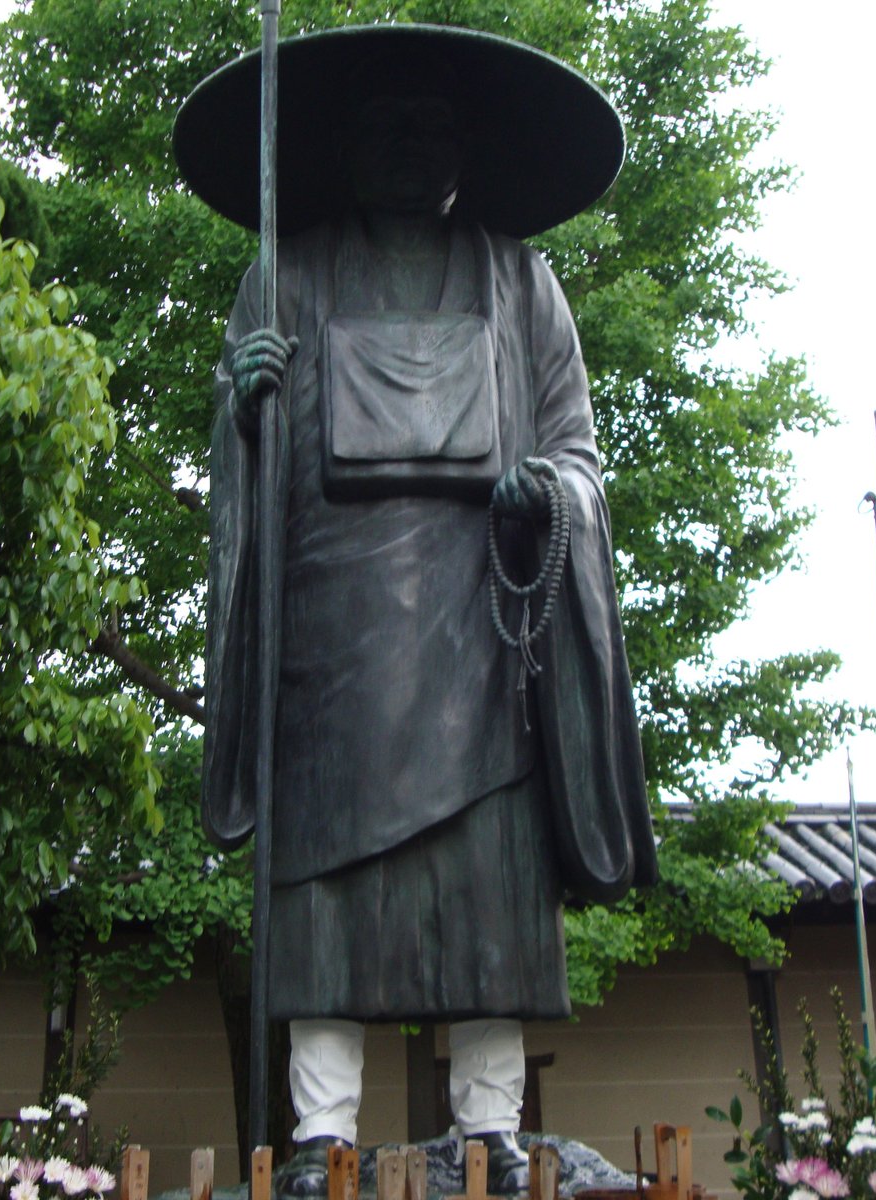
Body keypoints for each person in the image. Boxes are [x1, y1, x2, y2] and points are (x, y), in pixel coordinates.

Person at [175, 25, 659, 1197]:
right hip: (332, 648)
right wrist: (244, 409)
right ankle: (318, 1127)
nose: (412, 145)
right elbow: (240, 455)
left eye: (435, 127)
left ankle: (490, 1121)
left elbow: (579, 456)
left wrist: (546, 493)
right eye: (387, 125)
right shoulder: (286, 270)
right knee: (326, 895)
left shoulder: (519, 280)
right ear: (345, 146)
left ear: (467, 151)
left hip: (483, 635)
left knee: (490, 883)